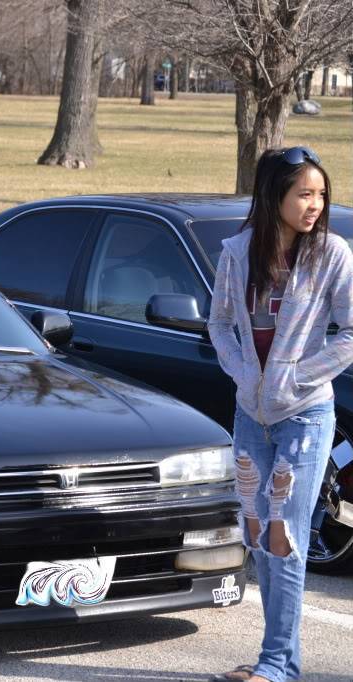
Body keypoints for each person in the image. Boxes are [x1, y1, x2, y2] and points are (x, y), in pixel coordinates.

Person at [208, 147, 353, 682]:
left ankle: (276, 666)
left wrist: (297, 376)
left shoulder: (333, 254)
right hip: (252, 416)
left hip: (305, 416)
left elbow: (351, 332)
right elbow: (219, 324)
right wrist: (247, 376)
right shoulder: (237, 252)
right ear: (275, 196)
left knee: (283, 536)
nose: (315, 205)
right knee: (258, 536)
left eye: (320, 194)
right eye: (303, 194)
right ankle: (277, 660)